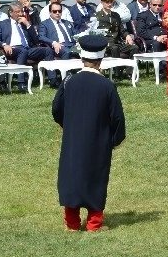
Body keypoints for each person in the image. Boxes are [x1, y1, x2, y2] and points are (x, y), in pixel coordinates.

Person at [52, 34, 125, 232]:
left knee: (72, 175)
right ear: (101, 59)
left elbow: (57, 109)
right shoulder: (107, 86)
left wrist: (68, 125)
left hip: (73, 140)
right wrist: (115, 140)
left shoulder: (69, 82)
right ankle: (94, 223)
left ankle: (72, 223)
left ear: (82, 58)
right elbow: (116, 117)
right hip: (98, 141)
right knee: (96, 177)